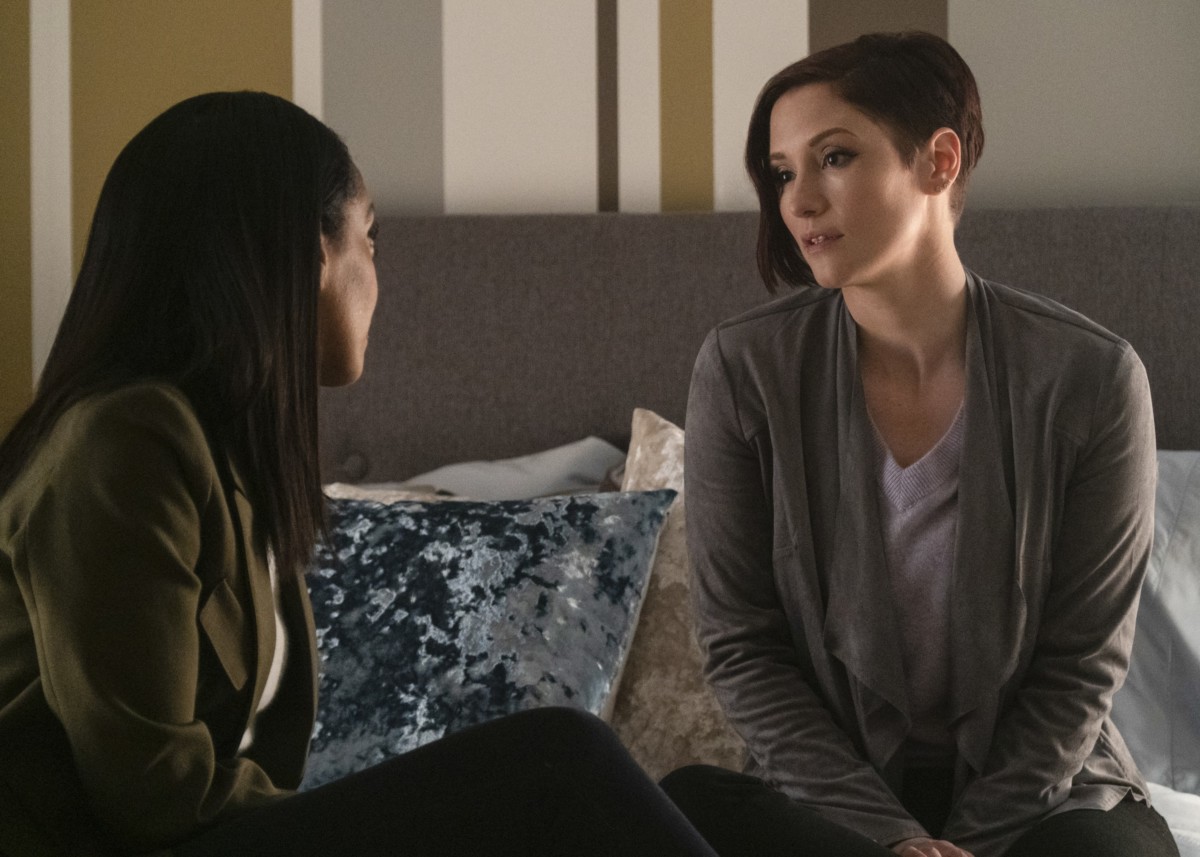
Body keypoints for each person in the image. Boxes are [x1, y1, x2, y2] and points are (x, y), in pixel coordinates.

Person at [0, 91, 716, 857]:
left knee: (713, 797)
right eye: (368, 238)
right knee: (561, 759)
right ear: (310, 255)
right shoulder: (125, 440)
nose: (377, 274)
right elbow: (149, 786)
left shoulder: (226, 458)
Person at [660, 31, 1179, 857]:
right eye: (784, 172)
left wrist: (964, 843)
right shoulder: (741, 370)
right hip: (828, 800)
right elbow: (744, 650)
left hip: (1042, 799)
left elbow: (1078, 670)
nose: (799, 201)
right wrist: (895, 839)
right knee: (688, 803)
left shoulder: (1093, 379)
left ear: (939, 161)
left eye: (834, 157)